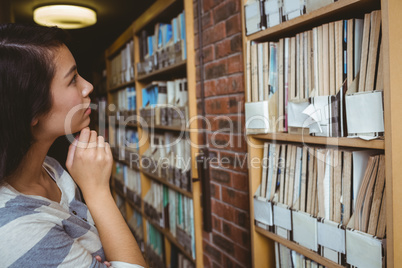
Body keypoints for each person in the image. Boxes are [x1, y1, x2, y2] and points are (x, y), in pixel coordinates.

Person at [0, 23, 147, 267]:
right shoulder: (15, 230)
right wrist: (97, 191)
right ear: (30, 111)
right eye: (73, 80)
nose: (88, 86)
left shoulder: (51, 169)